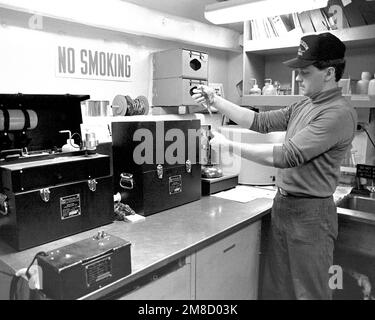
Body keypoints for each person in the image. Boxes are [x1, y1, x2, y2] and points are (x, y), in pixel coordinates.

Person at [192, 32, 357, 300]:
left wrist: (228, 145)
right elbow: (260, 122)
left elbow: (287, 155)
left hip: (311, 214)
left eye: (304, 72)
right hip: (283, 206)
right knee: (277, 290)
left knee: (309, 293)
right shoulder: (305, 104)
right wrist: (216, 101)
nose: (298, 78)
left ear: (328, 73)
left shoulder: (338, 113)